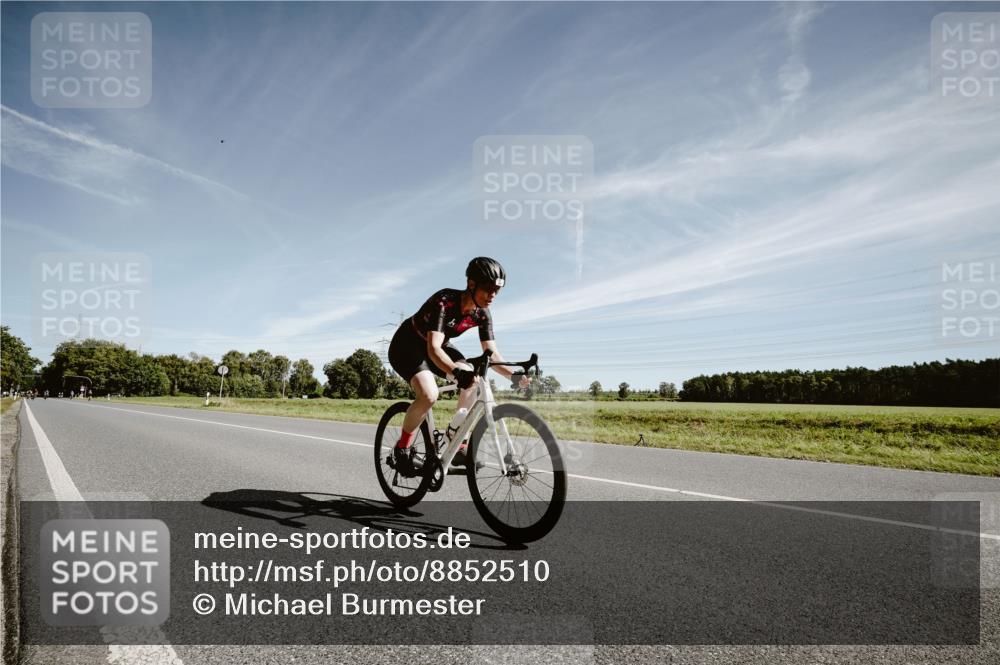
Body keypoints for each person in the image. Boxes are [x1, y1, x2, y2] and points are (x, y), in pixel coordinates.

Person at [387, 257, 530, 476]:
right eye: (488, 288)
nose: (492, 295)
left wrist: (513, 377)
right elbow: (433, 348)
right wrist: (454, 371)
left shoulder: (482, 313)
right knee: (429, 394)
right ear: (471, 284)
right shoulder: (445, 301)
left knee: (473, 380)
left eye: (497, 291)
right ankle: (402, 449)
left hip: (439, 345)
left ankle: (458, 444)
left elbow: (491, 354)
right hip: (408, 344)